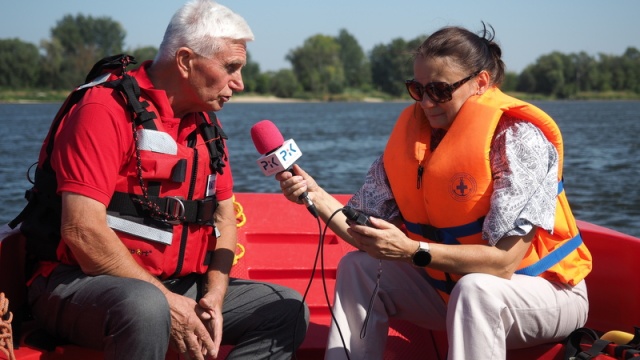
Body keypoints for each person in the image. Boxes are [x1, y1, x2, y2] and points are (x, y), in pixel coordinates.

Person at [277, 23, 592, 360]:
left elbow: (503, 264)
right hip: (452, 295)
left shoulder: (517, 138)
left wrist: (414, 250)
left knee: (477, 288)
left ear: (481, 82)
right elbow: (365, 235)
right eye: (417, 89)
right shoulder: (414, 141)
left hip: (548, 295)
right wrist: (315, 194)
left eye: (440, 91)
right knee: (359, 267)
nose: (426, 102)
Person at [14, 1, 308, 359]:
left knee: (286, 309)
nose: (240, 83)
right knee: (147, 307)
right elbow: (81, 232)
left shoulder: (206, 125)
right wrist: (168, 302)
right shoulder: (102, 110)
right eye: (231, 67)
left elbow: (224, 217)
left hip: (173, 287)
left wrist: (213, 295)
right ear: (185, 61)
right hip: (75, 283)